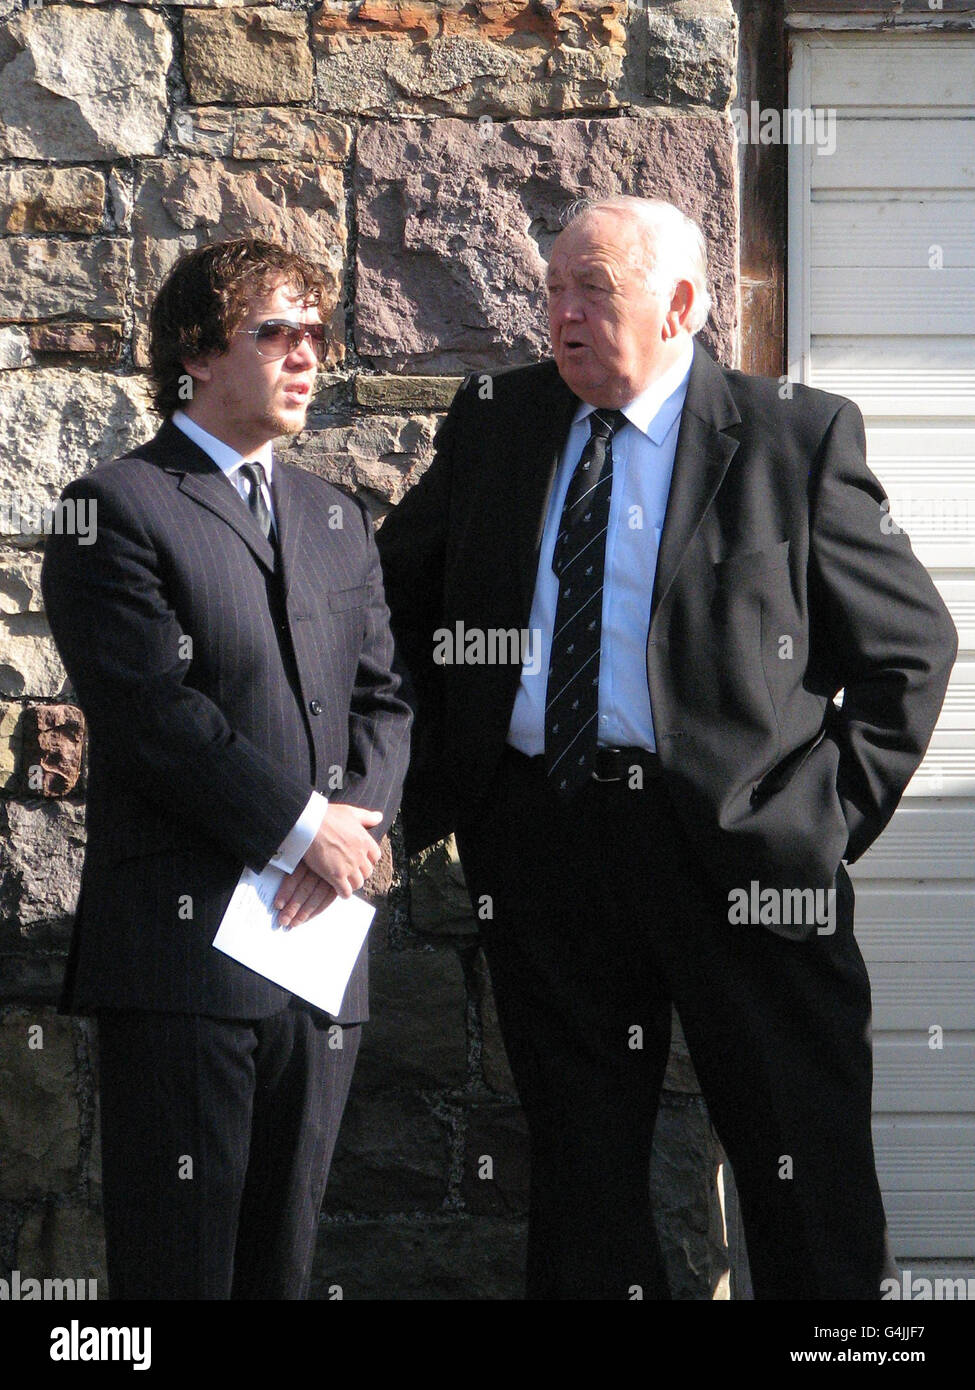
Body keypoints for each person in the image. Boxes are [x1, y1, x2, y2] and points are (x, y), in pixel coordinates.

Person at [375, 197, 957, 1300]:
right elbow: (393, 602)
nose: (563, 312)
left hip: (745, 862)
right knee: (582, 1177)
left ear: (683, 306)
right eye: (554, 288)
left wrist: (817, 823)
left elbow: (910, 648)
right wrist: (458, 776)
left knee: (806, 1169)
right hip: (545, 846)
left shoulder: (794, 435)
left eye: (593, 287)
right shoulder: (498, 421)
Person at [41, 238, 411, 1300]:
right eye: (276, 333)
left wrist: (355, 834)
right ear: (197, 353)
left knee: (282, 1268)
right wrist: (306, 829)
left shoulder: (336, 517)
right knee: (181, 1270)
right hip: (185, 956)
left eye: (316, 335)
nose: (306, 358)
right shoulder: (115, 506)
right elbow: (154, 712)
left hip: (319, 954)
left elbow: (384, 697)